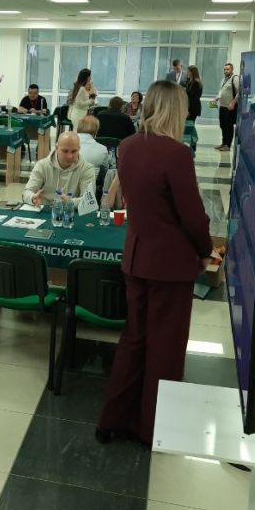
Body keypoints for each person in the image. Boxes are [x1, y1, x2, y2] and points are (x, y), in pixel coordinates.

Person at [97, 81, 211, 446]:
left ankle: (113, 418)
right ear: (176, 110)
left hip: (137, 256)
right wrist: (206, 249)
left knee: (134, 338)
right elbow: (192, 216)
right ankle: (153, 428)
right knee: (165, 346)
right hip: (171, 264)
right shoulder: (176, 154)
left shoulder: (128, 146)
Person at [22, 131, 97, 205]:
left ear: (79, 149)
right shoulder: (42, 165)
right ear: (57, 148)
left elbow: (88, 201)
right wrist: (32, 198)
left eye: (74, 151)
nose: (69, 156)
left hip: (71, 210)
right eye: (65, 151)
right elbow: (27, 192)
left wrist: (69, 202)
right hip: (45, 208)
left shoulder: (87, 169)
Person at [216, 63, 239, 151]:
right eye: (225, 69)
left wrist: (233, 103)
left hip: (230, 107)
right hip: (222, 106)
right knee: (223, 125)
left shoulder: (235, 78)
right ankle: (223, 143)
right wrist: (216, 98)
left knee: (228, 126)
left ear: (232, 70)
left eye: (227, 69)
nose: (225, 71)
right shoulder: (223, 80)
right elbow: (221, 91)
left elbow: (239, 92)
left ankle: (227, 145)